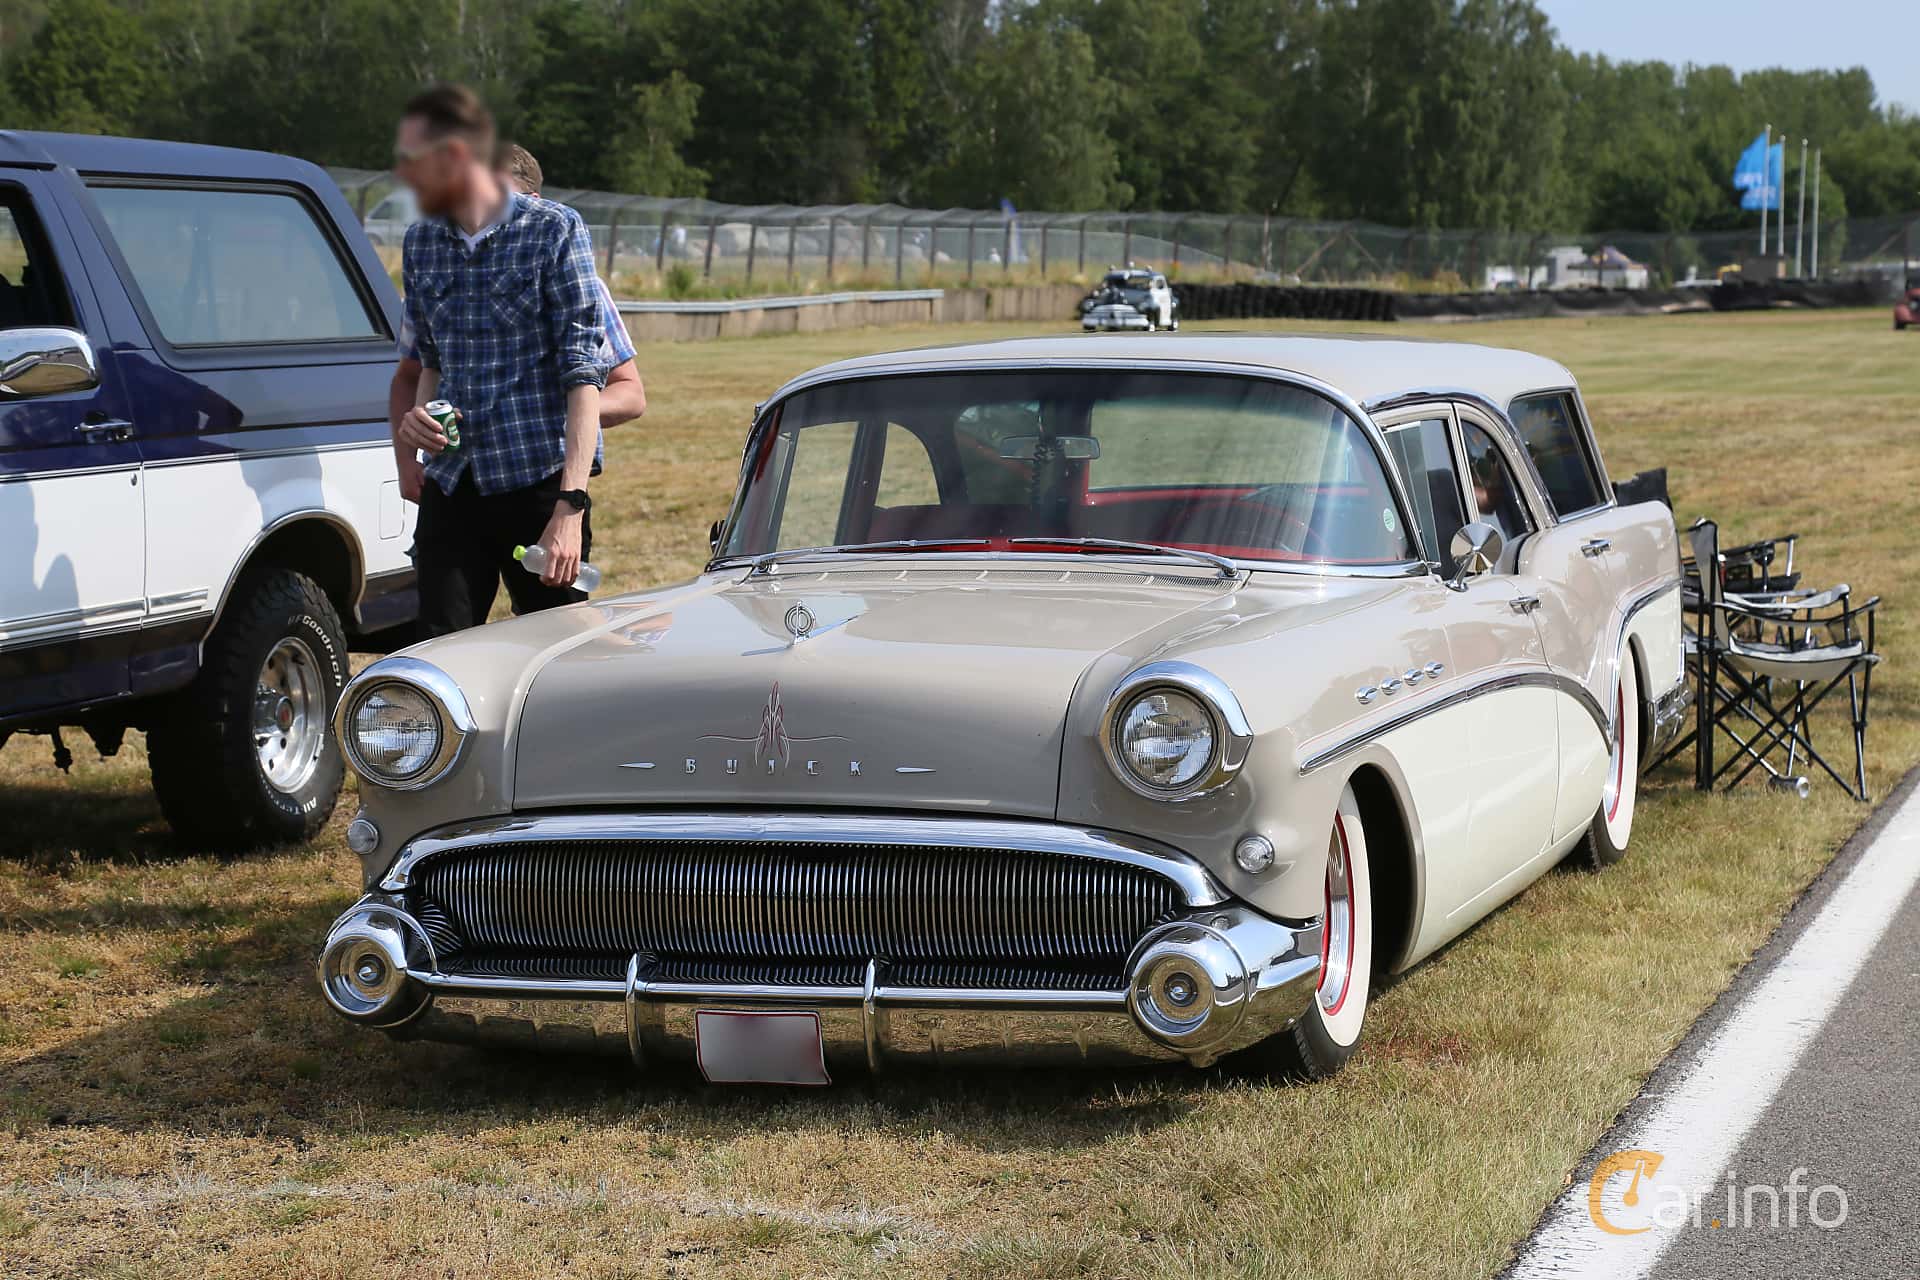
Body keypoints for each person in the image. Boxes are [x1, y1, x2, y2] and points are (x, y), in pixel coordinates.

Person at [390, 83, 604, 637]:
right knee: (443, 654)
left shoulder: (555, 229)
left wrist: (570, 509)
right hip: (454, 484)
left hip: (537, 481)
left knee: (559, 658)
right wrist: (420, 422)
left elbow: (584, 377)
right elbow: (430, 362)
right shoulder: (420, 242)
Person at [386, 152, 645, 507]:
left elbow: (630, 394)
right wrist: (407, 459)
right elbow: (412, 373)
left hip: (536, 469)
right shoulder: (436, 254)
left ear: (533, 202)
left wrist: (548, 408)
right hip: (455, 475)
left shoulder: (573, 274)